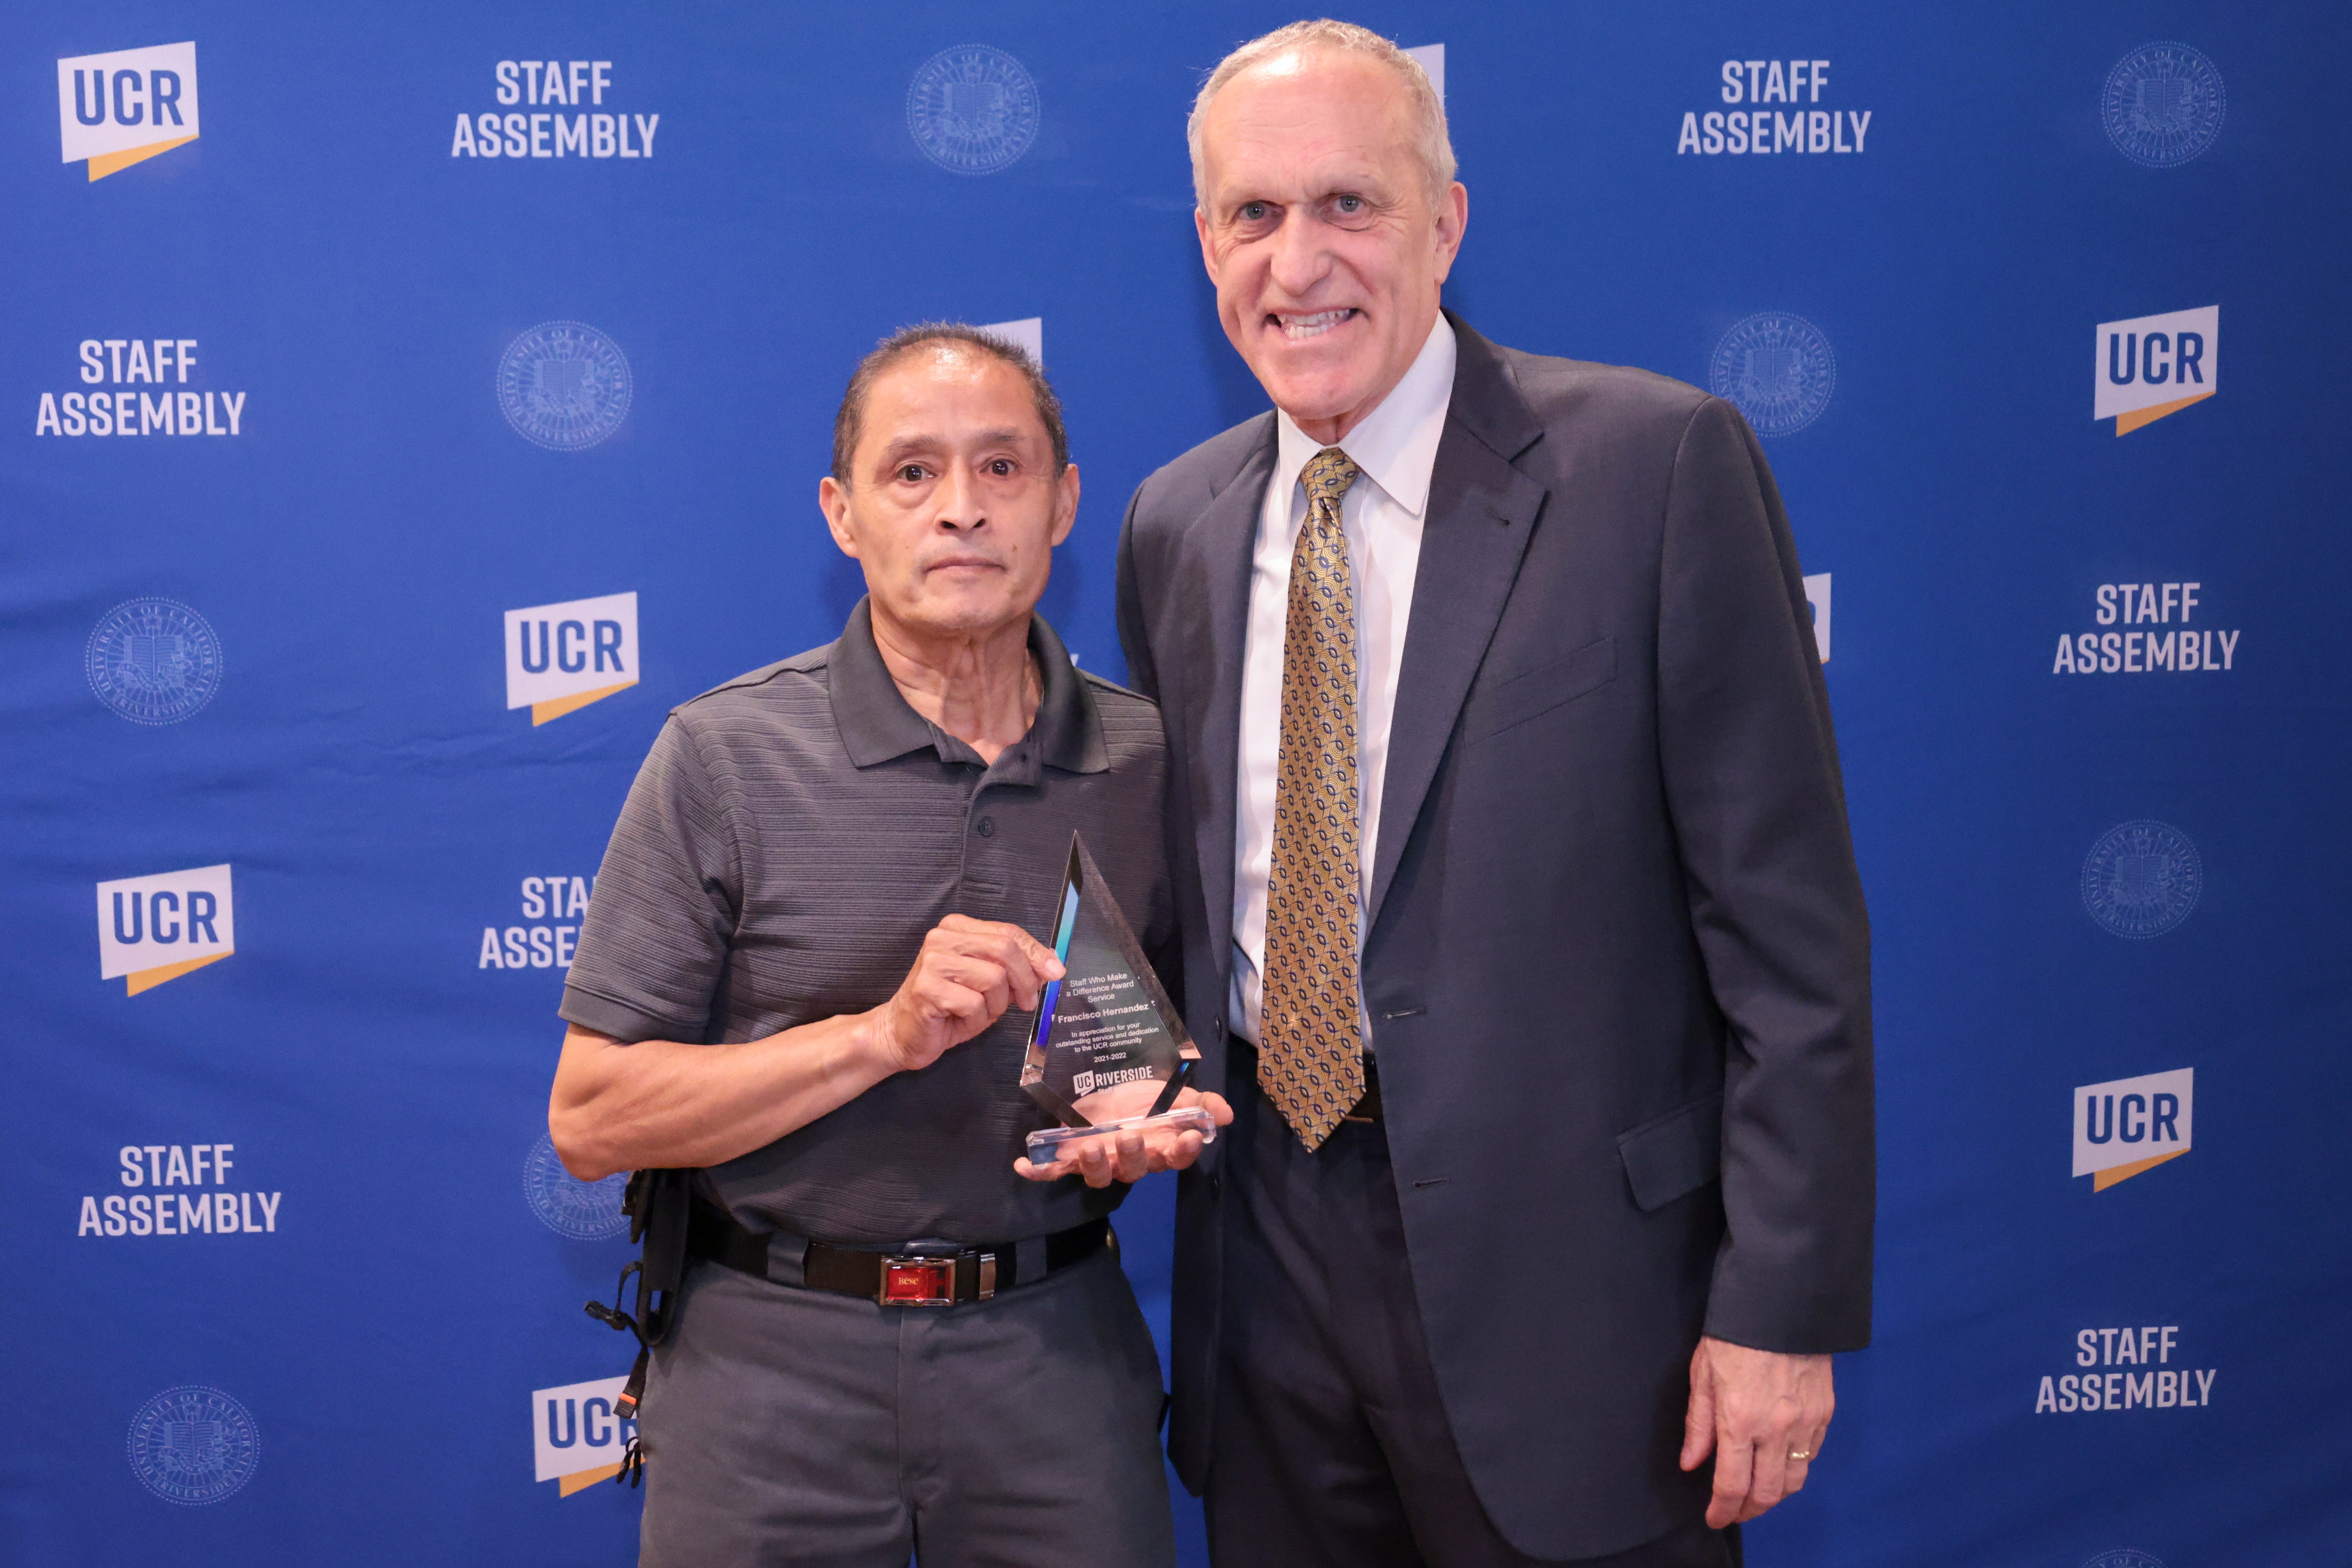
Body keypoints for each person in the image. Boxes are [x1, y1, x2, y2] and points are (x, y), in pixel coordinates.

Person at [1115, 22, 1875, 1568]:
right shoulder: (1174, 525)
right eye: (1254, 215)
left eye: (1351, 204)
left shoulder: (1658, 468)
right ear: (1206, 245)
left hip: (1586, 1308)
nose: (1298, 258)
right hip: (1265, 1275)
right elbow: (1179, 899)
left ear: (1446, 222)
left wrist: (1779, 1309)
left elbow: (1793, 945)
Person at [548, 323, 1225, 1568]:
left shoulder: (1153, 760)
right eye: (912, 473)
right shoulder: (723, 756)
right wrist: (880, 1036)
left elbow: (1179, 1057)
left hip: (1054, 1360)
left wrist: (1154, 1118)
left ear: (1065, 502)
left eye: (1002, 469)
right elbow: (591, 1117)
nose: (960, 509)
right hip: (767, 1370)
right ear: (842, 513)